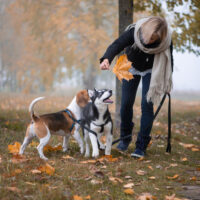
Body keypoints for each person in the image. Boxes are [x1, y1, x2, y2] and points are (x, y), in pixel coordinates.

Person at [99, 16, 173, 158]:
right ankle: (125, 138)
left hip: (152, 70)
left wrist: (167, 81)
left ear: (159, 38)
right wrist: (106, 58)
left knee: (147, 104)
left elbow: (170, 59)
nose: (147, 41)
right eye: (146, 37)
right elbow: (117, 44)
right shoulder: (135, 31)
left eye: (152, 39)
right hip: (131, 66)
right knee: (126, 103)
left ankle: (141, 146)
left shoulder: (165, 41)